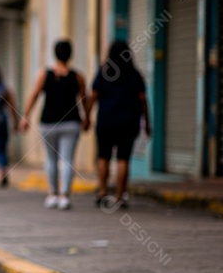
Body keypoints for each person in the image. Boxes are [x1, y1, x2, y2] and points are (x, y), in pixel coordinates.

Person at [20, 39, 89, 210]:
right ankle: (65, 195)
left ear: (55, 53)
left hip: (48, 122)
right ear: (70, 54)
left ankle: (53, 194)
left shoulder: (44, 74)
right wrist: (87, 117)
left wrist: (25, 116)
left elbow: (34, 95)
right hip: (71, 123)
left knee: (50, 160)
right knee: (67, 160)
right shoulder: (78, 76)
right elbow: (84, 99)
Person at [84, 41, 151, 209]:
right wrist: (147, 122)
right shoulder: (135, 74)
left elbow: (93, 96)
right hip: (129, 122)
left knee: (103, 156)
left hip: (106, 121)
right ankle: (120, 196)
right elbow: (143, 100)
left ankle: (102, 192)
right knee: (123, 158)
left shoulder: (104, 72)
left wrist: (86, 117)